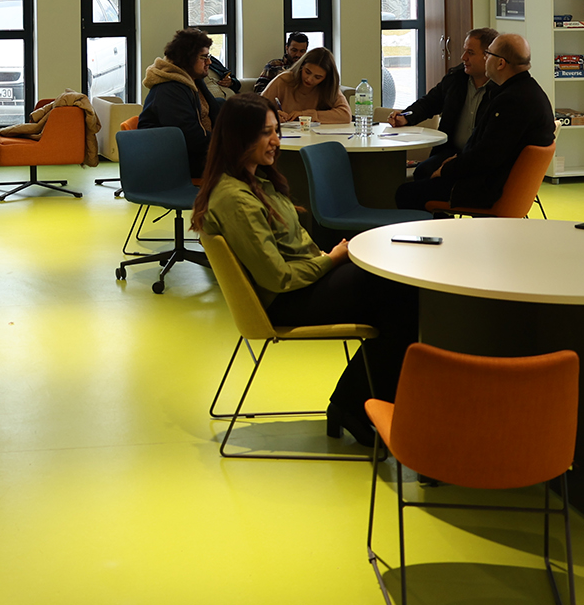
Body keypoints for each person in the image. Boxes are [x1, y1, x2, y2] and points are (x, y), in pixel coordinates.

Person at [192, 93, 420, 447]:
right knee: (403, 295)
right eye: (266, 133)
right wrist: (332, 259)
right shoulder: (236, 198)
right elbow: (278, 278)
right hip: (286, 299)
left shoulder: (255, 182)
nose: (275, 141)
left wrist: (329, 259)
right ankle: (358, 404)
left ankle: (358, 403)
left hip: (303, 285)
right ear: (239, 138)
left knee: (398, 300)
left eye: (276, 131)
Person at [393, 33, 554, 212]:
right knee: (423, 176)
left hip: (488, 188)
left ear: (500, 63)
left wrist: (447, 168)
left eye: (488, 54)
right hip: (498, 180)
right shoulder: (528, 91)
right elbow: (489, 150)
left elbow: (486, 157)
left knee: (405, 193)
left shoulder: (511, 101)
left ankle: (438, 229)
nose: (485, 59)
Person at [388, 28, 500, 178]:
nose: (463, 57)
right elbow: (430, 102)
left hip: (479, 158)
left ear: (488, 56)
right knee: (422, 172)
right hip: (450, 150)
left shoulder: (501, 89)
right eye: (464, 51)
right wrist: (406, 117)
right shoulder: (456, 78)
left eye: (471, 53)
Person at [139, 29, 219, 175]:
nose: (209, 62)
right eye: (204, 57)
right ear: (187, 59)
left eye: (209, 56)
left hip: (194, 154)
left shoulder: (193, 81)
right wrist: (227, 145)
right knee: (249, 156)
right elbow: (191, 138)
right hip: (175, 161)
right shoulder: (169, 90)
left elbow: (215, 112)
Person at [260, 46, 351, 124]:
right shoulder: (284, 80)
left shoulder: (328, 86)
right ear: (301, 66)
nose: (309, 79)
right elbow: (258, 109)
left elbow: (346, 115)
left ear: (326, 78)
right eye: (307, 72)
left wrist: (307, 115)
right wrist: (273, 115)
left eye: (318, 77)